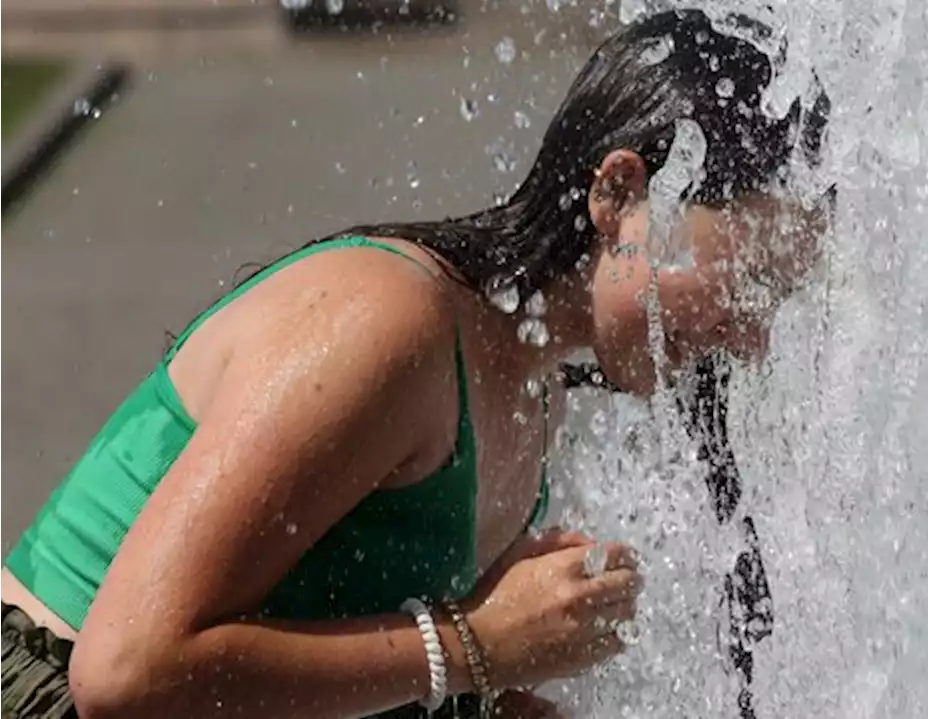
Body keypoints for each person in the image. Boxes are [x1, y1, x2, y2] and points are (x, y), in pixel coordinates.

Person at [0, 8, 830, 719]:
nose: (751, 336)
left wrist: (492, 686)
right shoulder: (387, 321)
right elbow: (123, 671)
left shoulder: (534, 391)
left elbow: (324, 647)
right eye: (746, 282)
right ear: (618, 196)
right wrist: (471, 646)